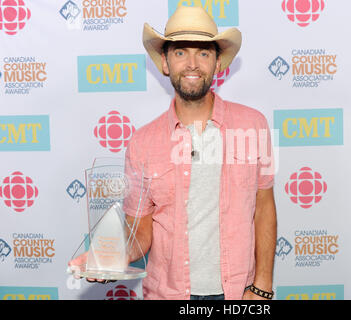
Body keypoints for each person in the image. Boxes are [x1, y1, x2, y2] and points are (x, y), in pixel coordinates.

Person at [70, 5, 277, 300]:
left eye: (203, 53)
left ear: (218, 63)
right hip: (168, 295)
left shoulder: (253, 125)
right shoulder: (142, 143)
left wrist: (262, 287)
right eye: (180, 52)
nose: (192, 64)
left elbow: (265, 207)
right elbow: (140, 232)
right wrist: (110, 257)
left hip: (238, 293)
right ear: (164, 63)